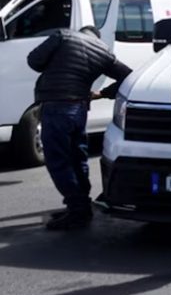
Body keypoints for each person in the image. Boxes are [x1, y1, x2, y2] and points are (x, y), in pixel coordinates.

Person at [25, 25, 133, 230]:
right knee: (77, 156)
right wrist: (102, 93)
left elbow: (34, 60)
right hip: (78, 109)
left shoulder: (64, 36)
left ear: (81, 32)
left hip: (57, 105)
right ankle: (81, 203)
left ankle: (77, 209)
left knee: (58, 159)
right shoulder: (104, 52)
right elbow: (129, 77)